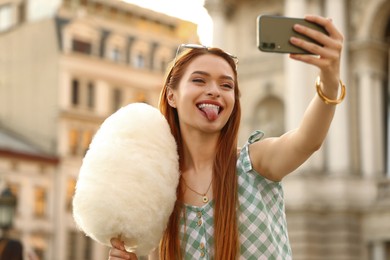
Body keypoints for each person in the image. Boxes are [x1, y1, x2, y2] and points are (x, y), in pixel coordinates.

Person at [108, 14, 345, 260]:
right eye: (199, 80)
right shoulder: (158, 191)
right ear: (171, 96)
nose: (213, 91)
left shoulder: (254, 165)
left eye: (226, 85)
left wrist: (329, 79)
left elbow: (308, 140)